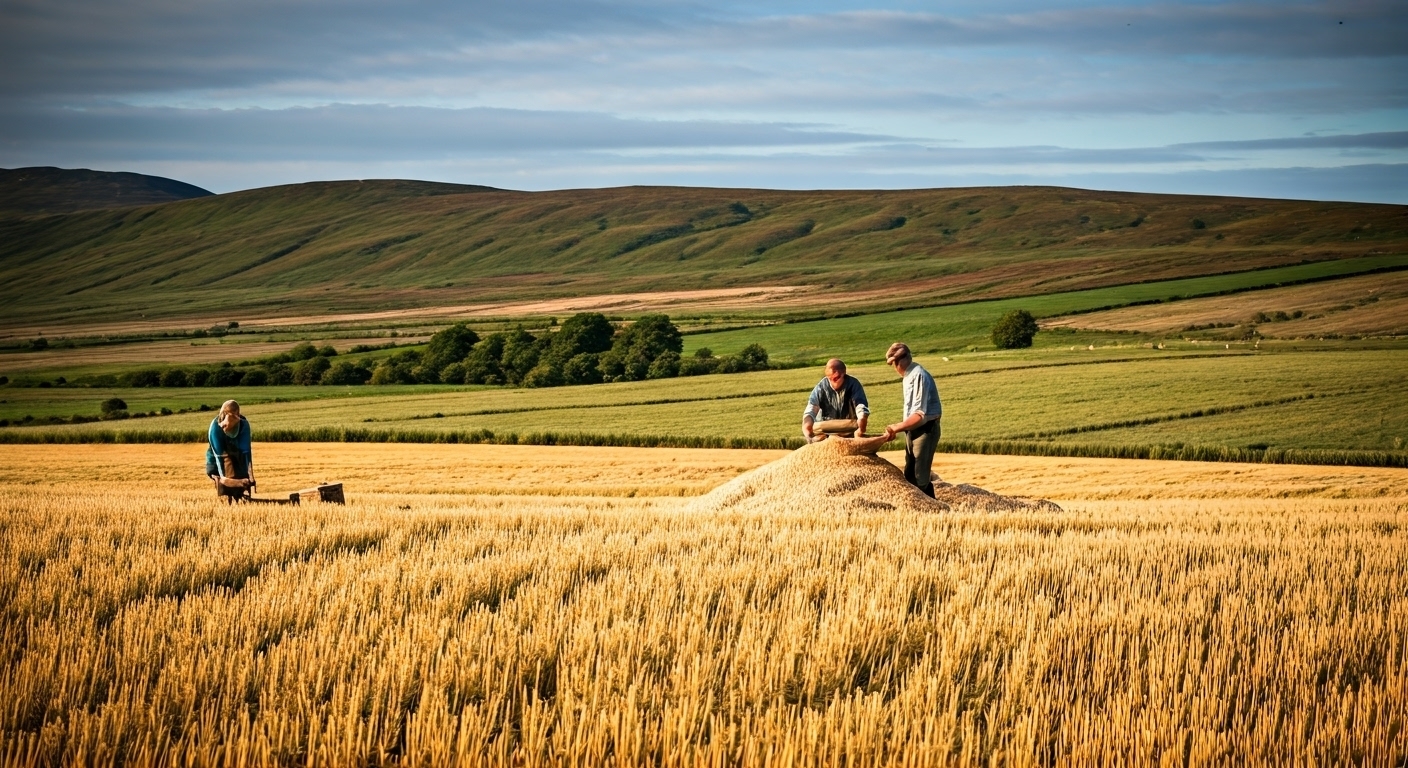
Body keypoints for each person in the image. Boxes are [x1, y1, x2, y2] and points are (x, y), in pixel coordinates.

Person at [881, 343, 941, 498]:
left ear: (900, 361)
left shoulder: (918, 375)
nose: (894, 368)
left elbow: (919, 415)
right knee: (909, 474)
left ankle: (931, 507)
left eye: (894, 364)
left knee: (919, 476)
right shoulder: (909, 375)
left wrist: (896, 427)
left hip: (924, 429)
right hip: (913, 429)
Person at [802, 358, 870, 442]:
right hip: (825, 431)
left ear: (843, 374)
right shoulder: (821, 387)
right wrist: (807, 430)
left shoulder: (853, 385)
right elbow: (811, 409)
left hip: (849, 429)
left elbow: (860, 406)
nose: (832, 381)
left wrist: (861, 424)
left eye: (836, 378)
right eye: (829, 378)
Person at [206, 400, 255, 496]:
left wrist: (250, 476)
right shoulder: (215, 429)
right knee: (228, 475)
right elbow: (219, 458)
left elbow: (246, 453)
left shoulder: (244, 426)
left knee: (241, 473)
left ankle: (239, 494)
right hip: (217, 461)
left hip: (237, 454)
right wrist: (230, 481)